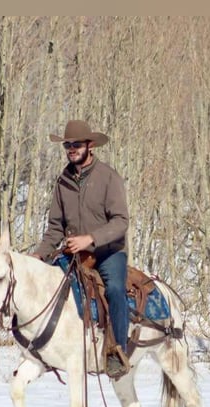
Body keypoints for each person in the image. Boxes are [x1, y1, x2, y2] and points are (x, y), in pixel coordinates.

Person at [33, 120, 130, 379]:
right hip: (74, 253)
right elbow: (55, 227)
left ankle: (117, 353)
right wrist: (39, 255)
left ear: (90, 146)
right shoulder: (63, 181)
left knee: (116, 290)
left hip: (109, 252)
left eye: (76, 144)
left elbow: (121, 221)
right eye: (67, 145)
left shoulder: (109, 177)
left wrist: (90, 239)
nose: (71, 149)